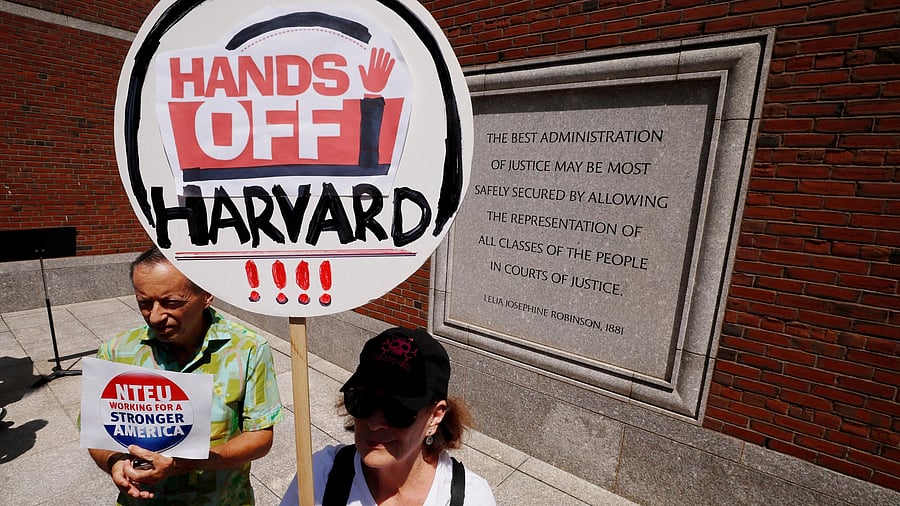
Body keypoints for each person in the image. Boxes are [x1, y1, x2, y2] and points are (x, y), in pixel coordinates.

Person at [87, 246, 284, 505]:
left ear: (207, 294)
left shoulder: (247, 349)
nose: (155, 316)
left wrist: (190, 463)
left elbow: (260, 437)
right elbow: (95, 433)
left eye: (171, 303)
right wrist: (114, 463)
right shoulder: (116, 351)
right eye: (144, 303)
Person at [281, 327, 495, 506]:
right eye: (362, 401)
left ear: (435, 416)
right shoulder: (320, 477)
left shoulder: (470, 499)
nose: (374, 423)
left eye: (398, 410)